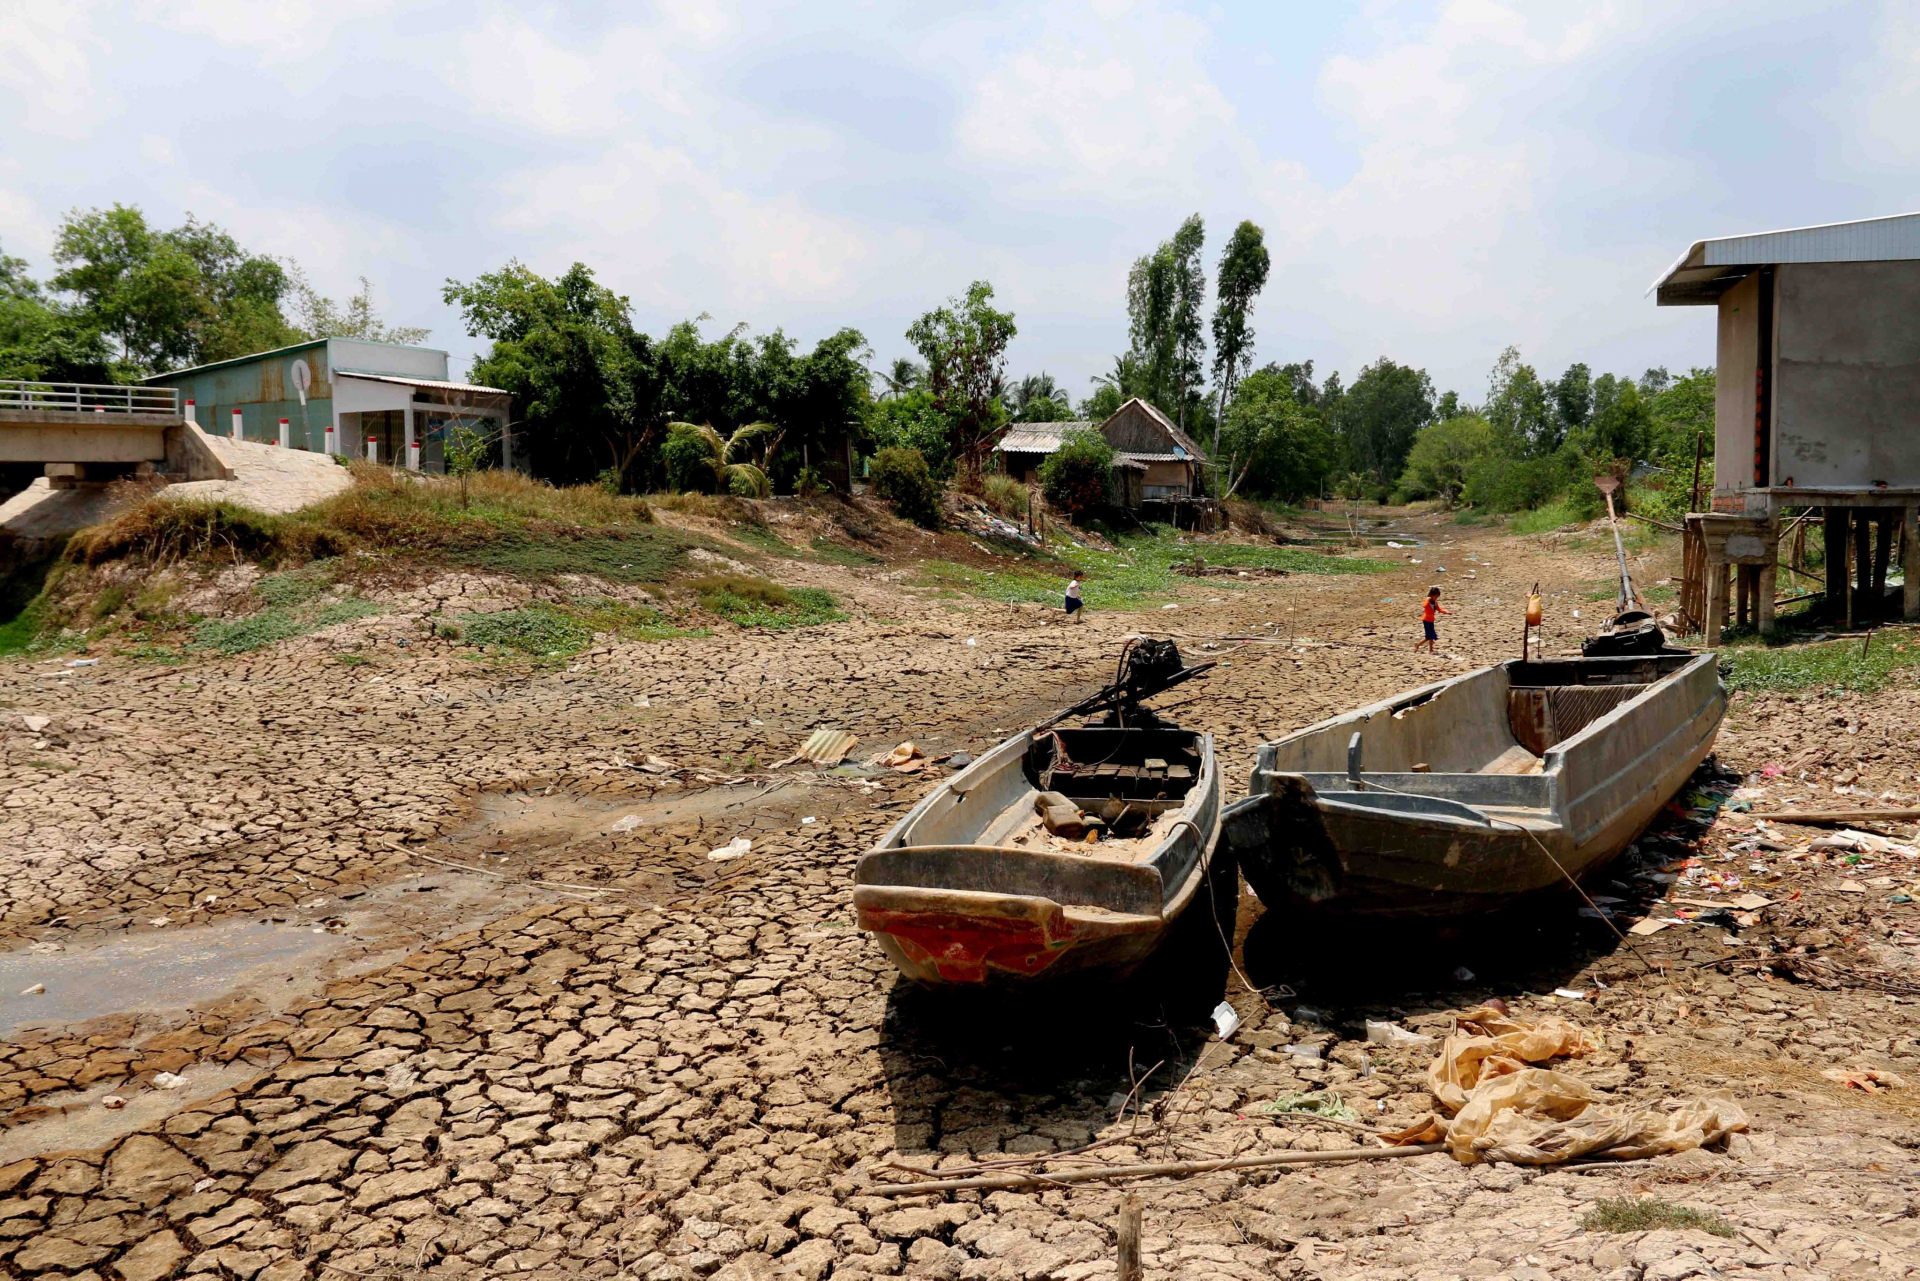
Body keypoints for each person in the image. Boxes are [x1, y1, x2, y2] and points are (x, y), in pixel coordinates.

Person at [1418, 585, 1449, 653]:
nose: (1436, 598)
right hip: (1426, 620)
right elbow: (1424, 605)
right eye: (1435, 596)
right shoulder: (1427, 601)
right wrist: (1428, 599)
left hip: (1431, 620)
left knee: (1431, 636)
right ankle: (1418, 645)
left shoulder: (1435, 603)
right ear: (1431, 595)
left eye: (1437, 597)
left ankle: (1430, 650)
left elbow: (1439, 609)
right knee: (1429, 636)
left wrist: (1446, 612)